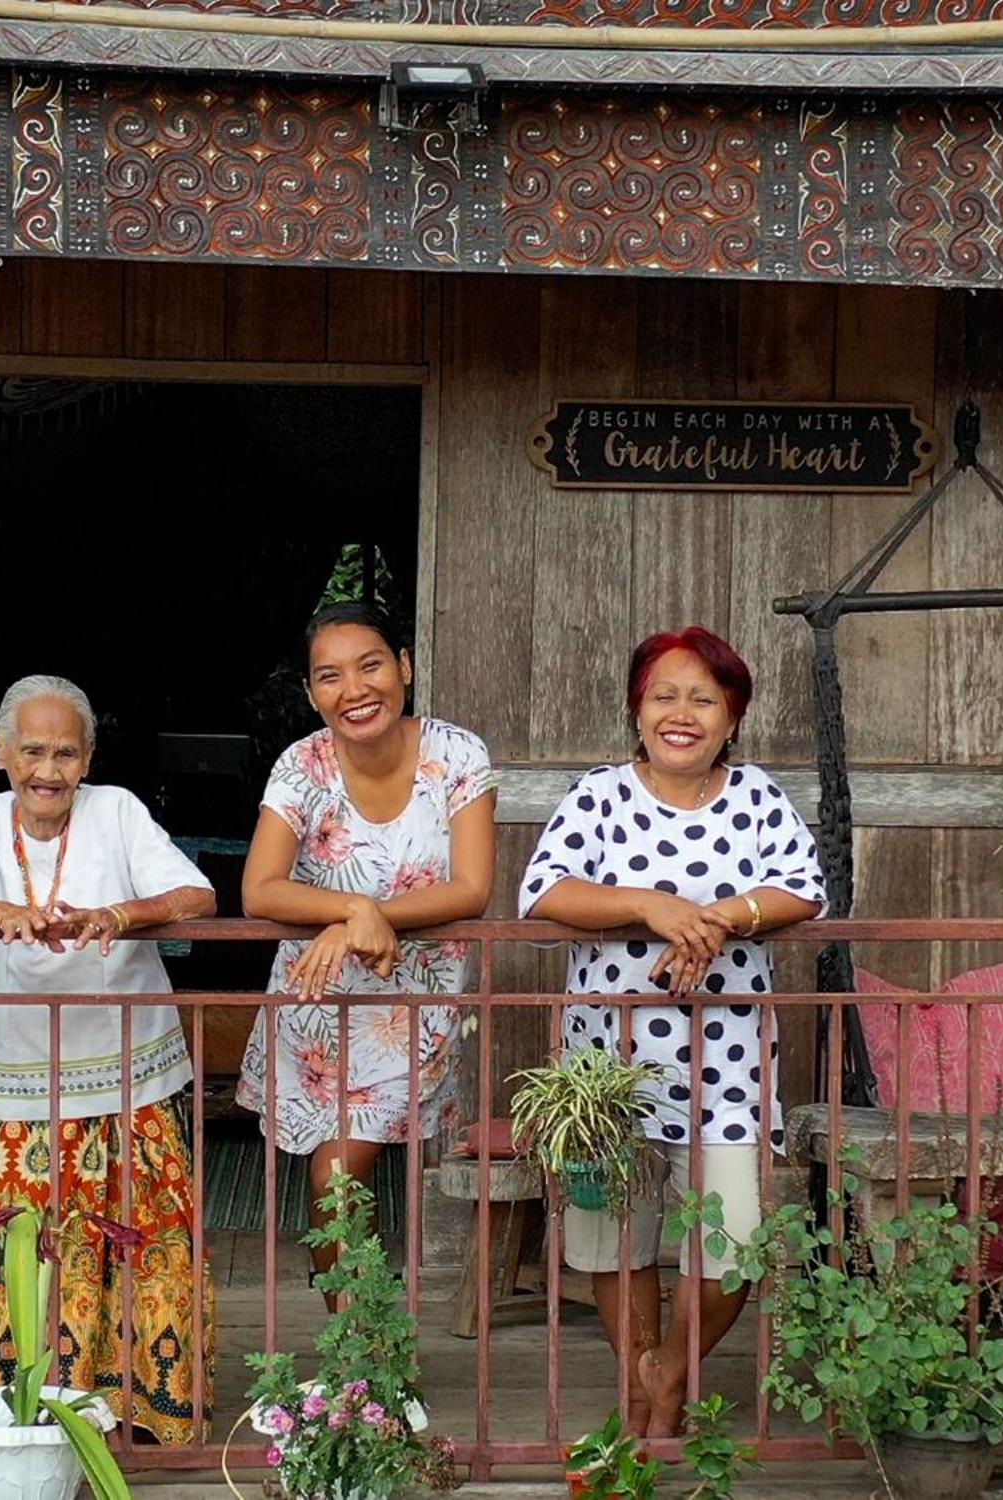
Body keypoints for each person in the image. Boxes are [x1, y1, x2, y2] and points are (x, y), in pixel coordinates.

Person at [517, 626, 824, 1438]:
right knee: (612, 1240)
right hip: (605, 1076)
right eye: (664, 695)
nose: (681, 713)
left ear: (732, 718)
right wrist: (654, 906)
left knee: (729, 1245)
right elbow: (545, 892)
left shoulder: (757, 796)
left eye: (704, 698)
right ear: (636, 708)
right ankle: (643, 1390)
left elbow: (802, 889)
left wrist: (719, 918)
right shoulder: (598, 796)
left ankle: (667, 1383)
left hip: (728, 1068)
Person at [0, 674, 216, 1444]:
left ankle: (153, 1411)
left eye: (66, 753)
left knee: (147, 1232)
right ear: (1, 750)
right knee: (35, 1243)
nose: (49, 769)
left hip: (134, 1067)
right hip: (26, 1077)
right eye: (32, 750)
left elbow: (196, 895)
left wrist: (120, 914)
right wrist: (0, 912)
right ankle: (36, 1411)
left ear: (89, 757)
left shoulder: (116, 810)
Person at [238, 602, 496, 1284]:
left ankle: (359, 1359)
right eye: (330, 676)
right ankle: (363, 1356)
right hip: (317, 1002)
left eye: (371, 665)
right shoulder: (302, 764)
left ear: (404, 668)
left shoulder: (457, 753)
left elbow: (472, 888)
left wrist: (365, 918)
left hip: (409, 1003)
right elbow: (260, 888)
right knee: (330, 1184)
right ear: (311, 693)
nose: (353, 689)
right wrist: (355, 909)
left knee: (336, 1173)